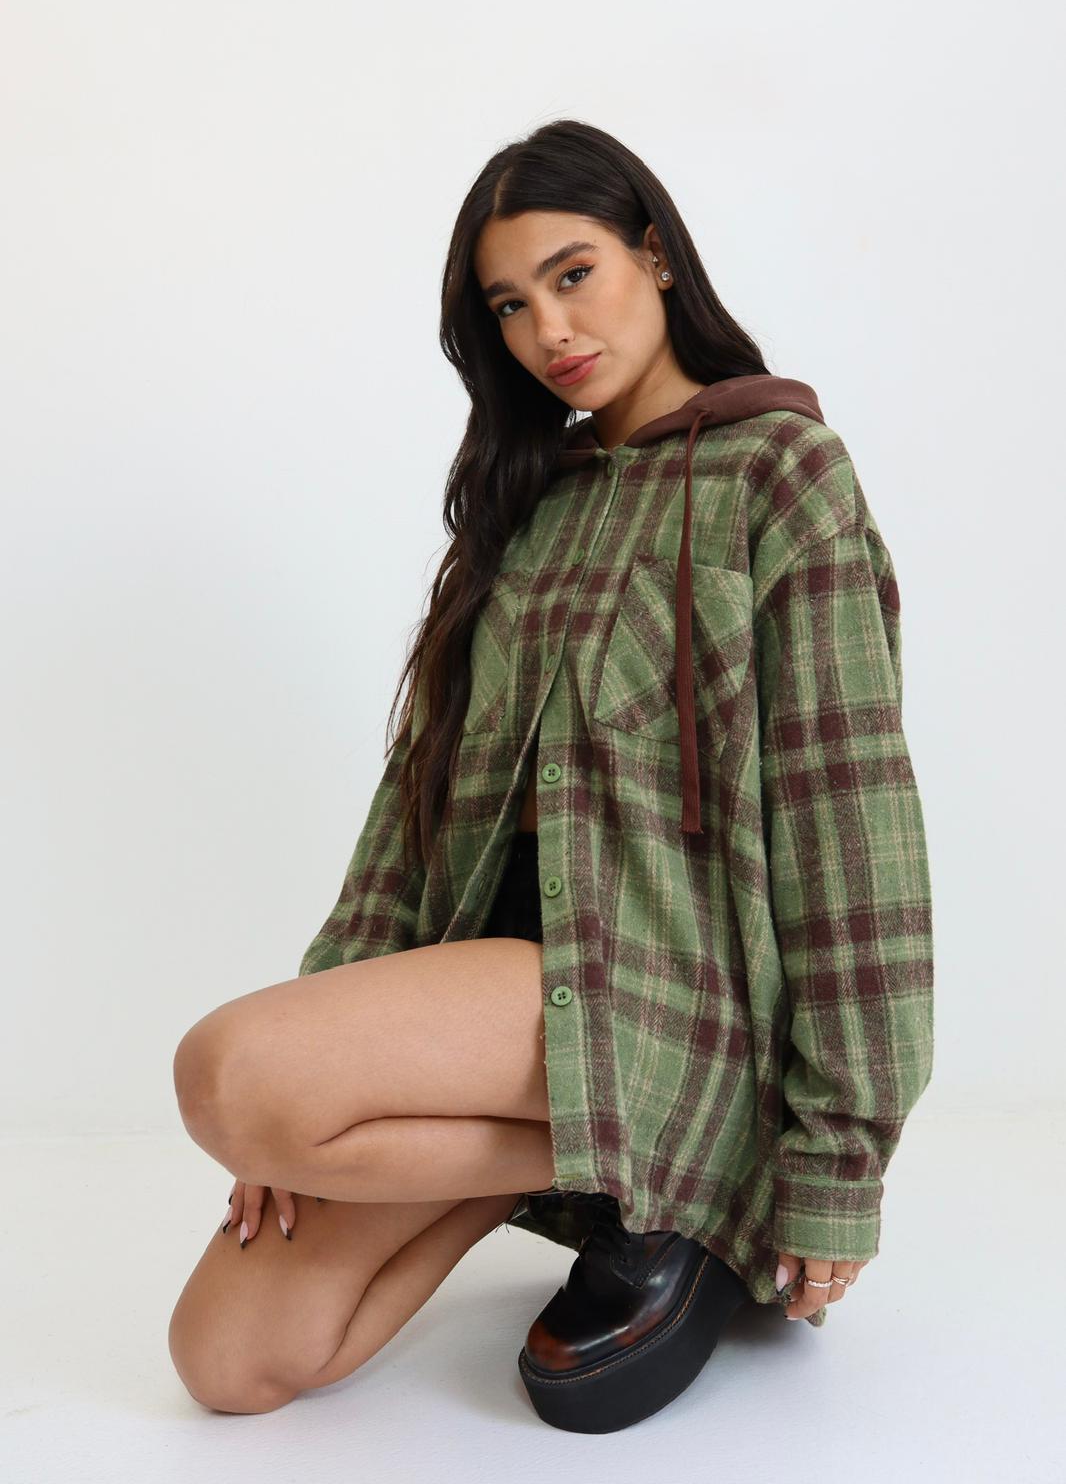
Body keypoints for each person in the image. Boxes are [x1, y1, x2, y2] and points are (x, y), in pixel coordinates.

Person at [169, 119, 934, 1432]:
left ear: (656, 254)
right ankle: (680, 1174)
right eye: (510, 305)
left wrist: (838, 1166)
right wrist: (323, 1069)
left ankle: (715, 1149)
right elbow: (410, 818)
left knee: (230, 1074)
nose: (549, 330)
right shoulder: (528, 502)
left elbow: (850, 831)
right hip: (515, 1001)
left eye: (573, 274)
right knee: (228, 1360)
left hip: (668, 995)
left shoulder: (780, 473)